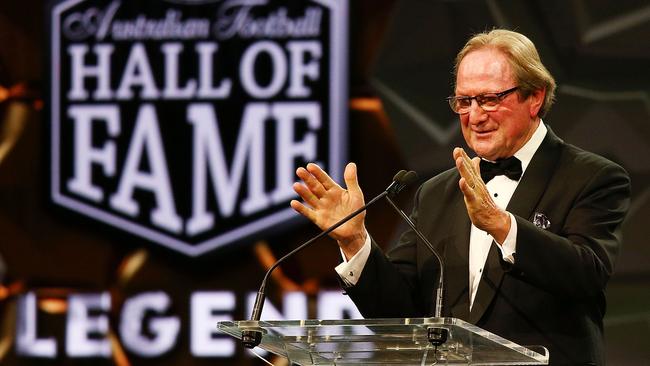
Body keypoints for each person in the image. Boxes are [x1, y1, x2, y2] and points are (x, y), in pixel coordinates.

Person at [290, 29, 630, 365]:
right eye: (464, 102)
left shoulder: (591, 177)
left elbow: (587, 274)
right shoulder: (435, 192)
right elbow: (398, 312)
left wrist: (502, 226)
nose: (474, 116)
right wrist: (354, 242)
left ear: (535, 97)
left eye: (490, 99)